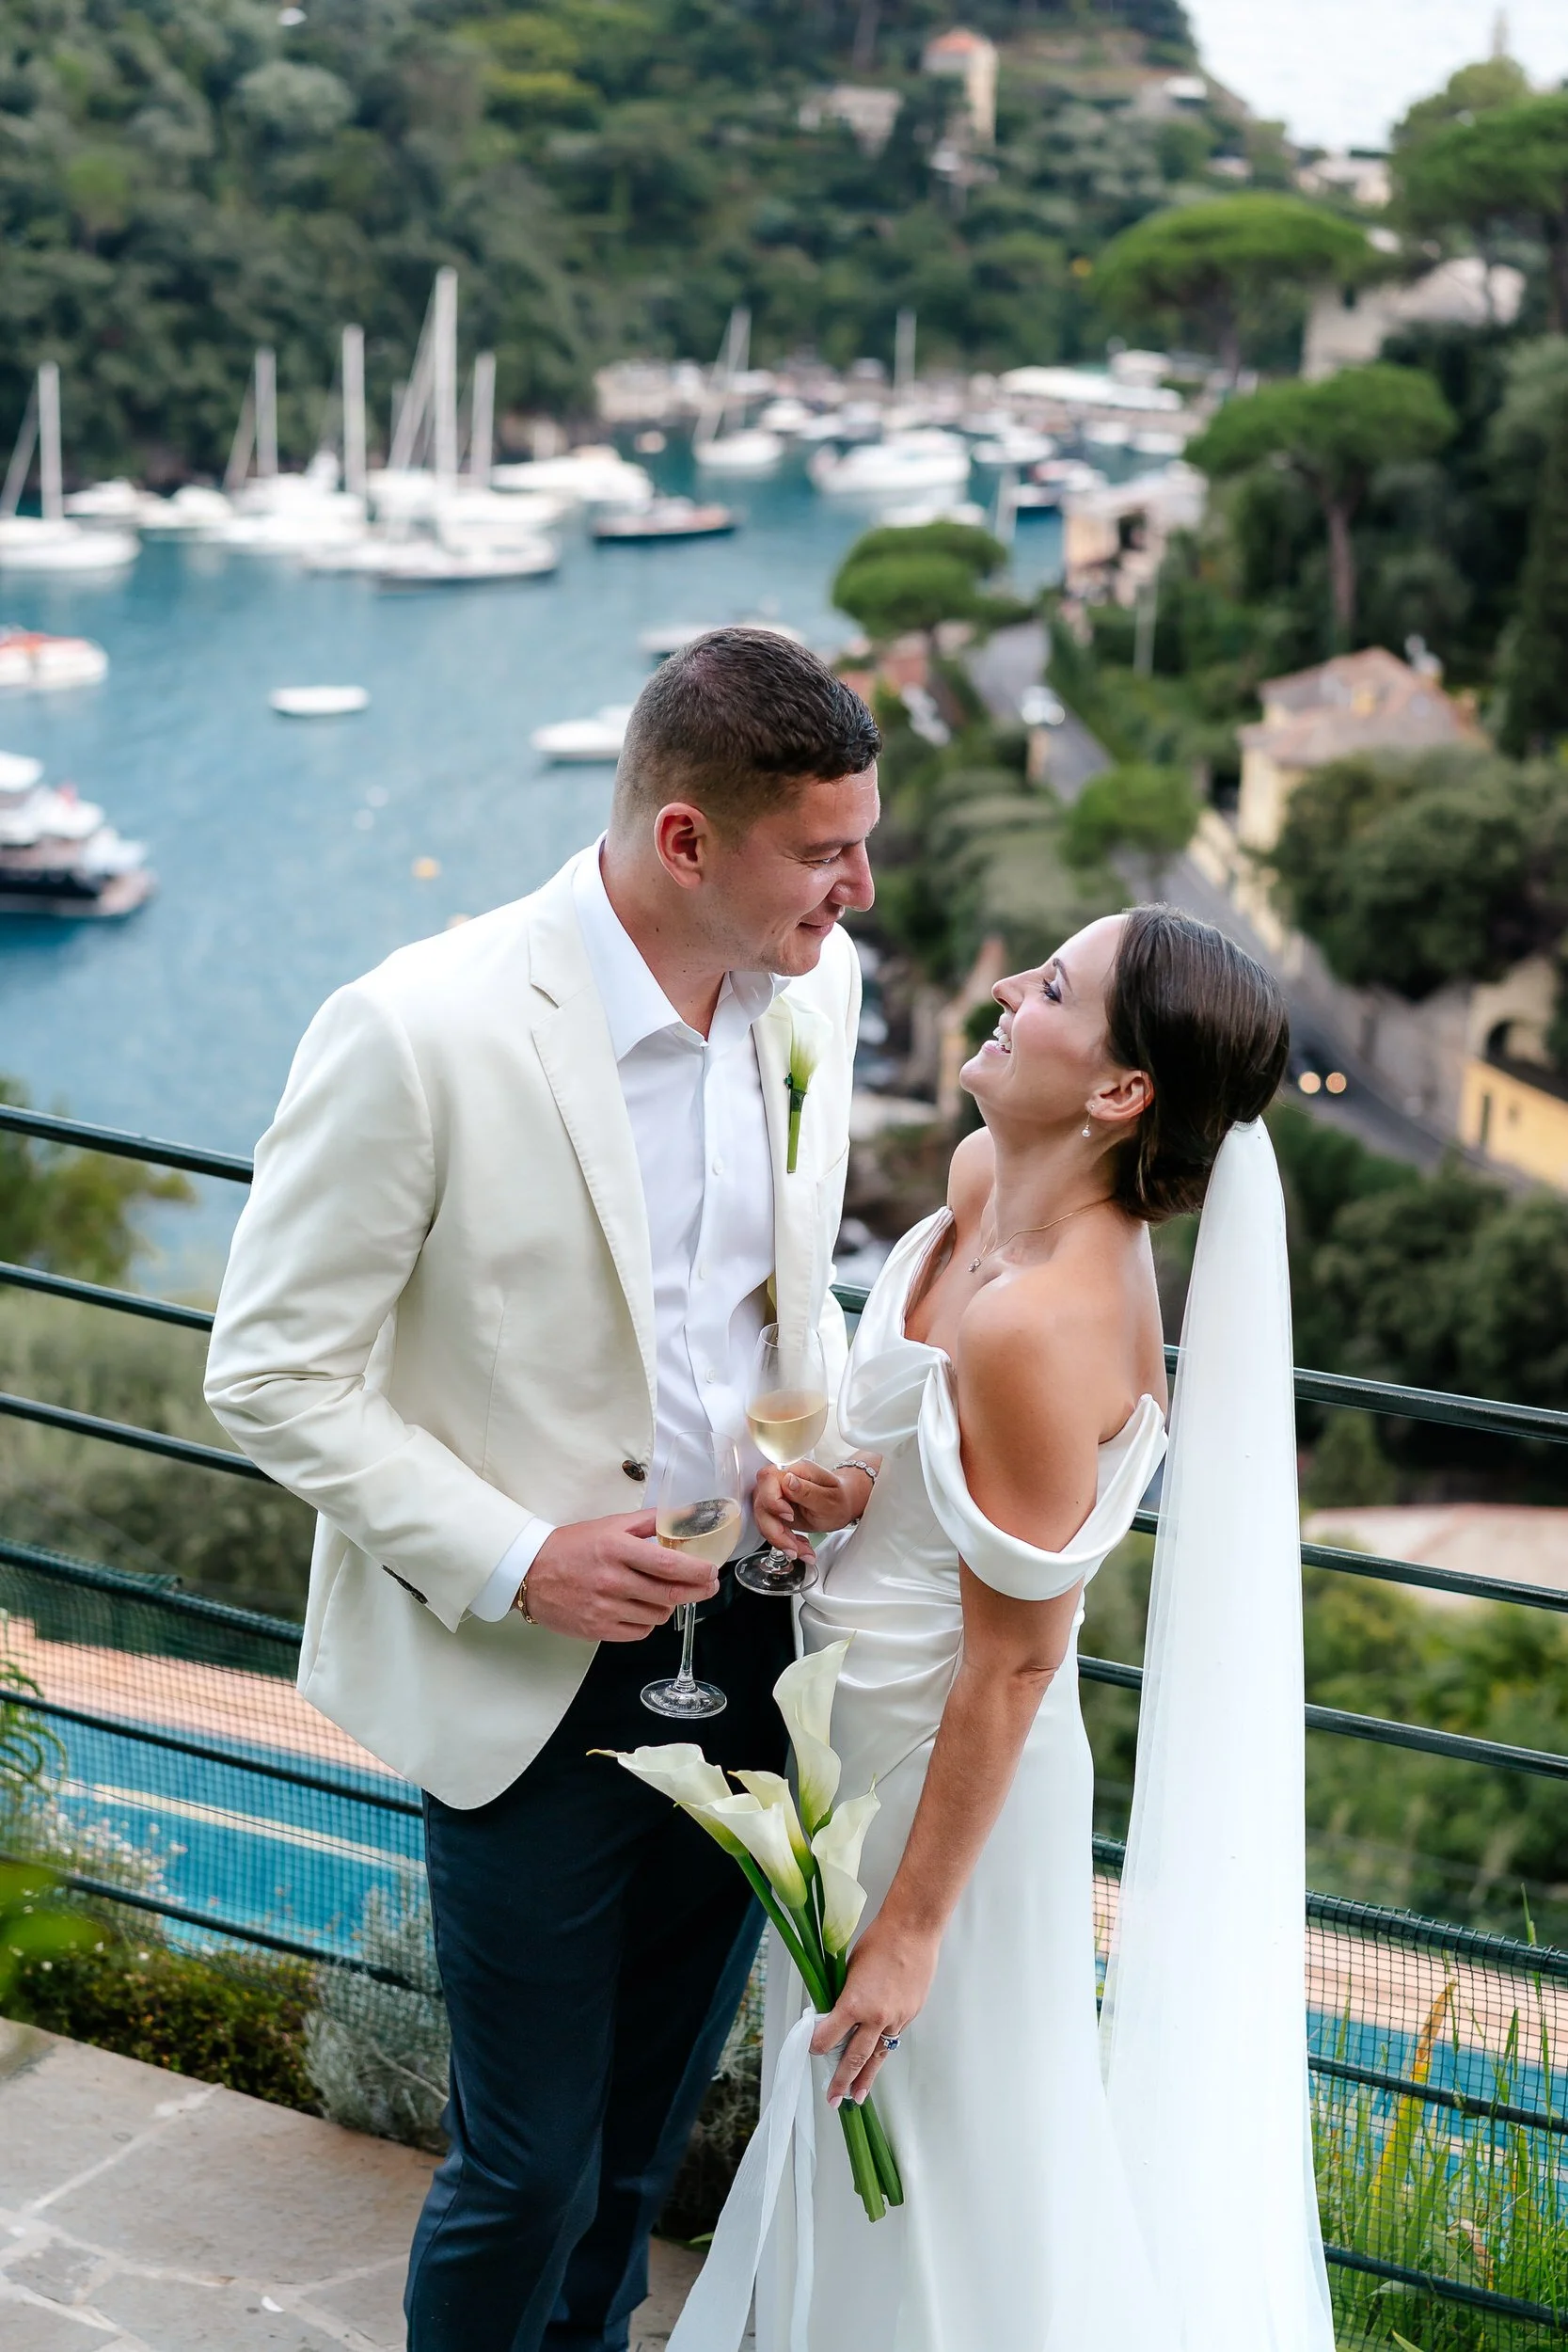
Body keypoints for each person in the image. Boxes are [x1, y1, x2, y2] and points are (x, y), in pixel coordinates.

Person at [202, 628, 879, 2352]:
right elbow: (271, 1372)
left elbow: (778, 1302)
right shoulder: (417, 1028)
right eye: (823, 851)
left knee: (641, 2151)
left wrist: (809, 1450)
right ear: (683, 841)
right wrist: (518, 1559)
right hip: (526, 1677)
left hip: (749, 1647)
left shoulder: (815, 996)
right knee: (525, 2170)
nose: (857, 893)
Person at [675, 905, 1335, 2352]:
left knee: (949, 2152)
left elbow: (1020, 1657)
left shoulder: (1045, 1321)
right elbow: (931, 1458)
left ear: (1117, 1093)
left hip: (944, 1788)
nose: (997, 992)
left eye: (1047, 989)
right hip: (840, 1729)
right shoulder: (980, 1175)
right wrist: (840, 1483)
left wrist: (912, 1931)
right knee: (854, 2134)